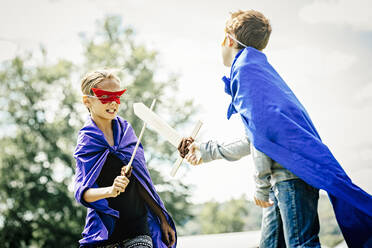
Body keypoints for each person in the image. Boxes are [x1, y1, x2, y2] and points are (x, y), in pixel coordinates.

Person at [179, 10, 372, 248]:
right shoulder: (257, 71)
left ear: (229, 39)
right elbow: (255, 138)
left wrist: (260, 186)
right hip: (286, 175)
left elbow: (261, 137)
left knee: (302, 245)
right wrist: (206, 151)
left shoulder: (246, 72)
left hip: (289, 176)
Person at [73, 69, 176, 248]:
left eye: (117, 96)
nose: (113, 102)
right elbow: (83, 193)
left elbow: (141, 182)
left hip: (138, 229)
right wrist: (110, 190)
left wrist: (162, 218)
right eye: (105, 96)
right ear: (87, 101)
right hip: (104, 235)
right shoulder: (87, 141)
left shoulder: (126, 132)